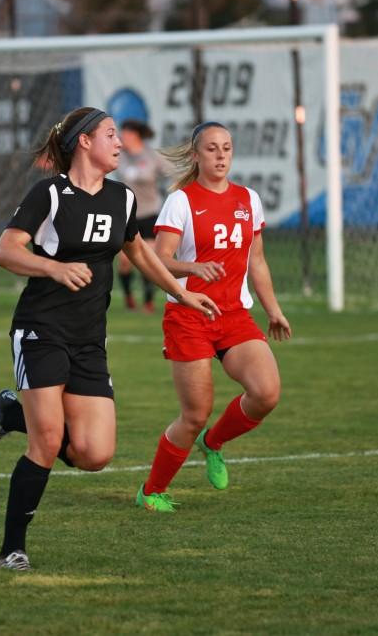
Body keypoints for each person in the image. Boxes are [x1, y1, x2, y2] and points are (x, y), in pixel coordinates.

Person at [0, 107, 219, 571]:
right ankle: (11, 549)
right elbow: (5, 250)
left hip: (90, 339)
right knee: (48, 442)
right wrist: (53, 266)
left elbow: (142, 254)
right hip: (41, 331)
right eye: (110, 134)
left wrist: (181, 292)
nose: (118, 142)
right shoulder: (49, 193)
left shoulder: (122, 198)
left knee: (95, 453)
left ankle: (12, 412)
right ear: (84, 142)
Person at [135, 121, 292, 512]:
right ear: (196, 155)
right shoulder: (181, 200)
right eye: (211, 149)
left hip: (234, 315)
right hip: (188, 315)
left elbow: (256, 260)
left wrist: (273, 310)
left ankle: (214, 443)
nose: (221, 155)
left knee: (266, 392)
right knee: (194, 414)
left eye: (226, 148)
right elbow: (160, 261)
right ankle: (151, 491)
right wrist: (192, 268)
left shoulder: (248, 199)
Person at [113, 119, 173, 313]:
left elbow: (171, 174)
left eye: (126, 135)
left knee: (148, 257)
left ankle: (148, 301)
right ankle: (129, 295)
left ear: (136, 136)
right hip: (127, 214)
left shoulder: (152, 156)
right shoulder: (119, 156)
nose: (122, 139)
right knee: (124, 261)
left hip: (149, 213)